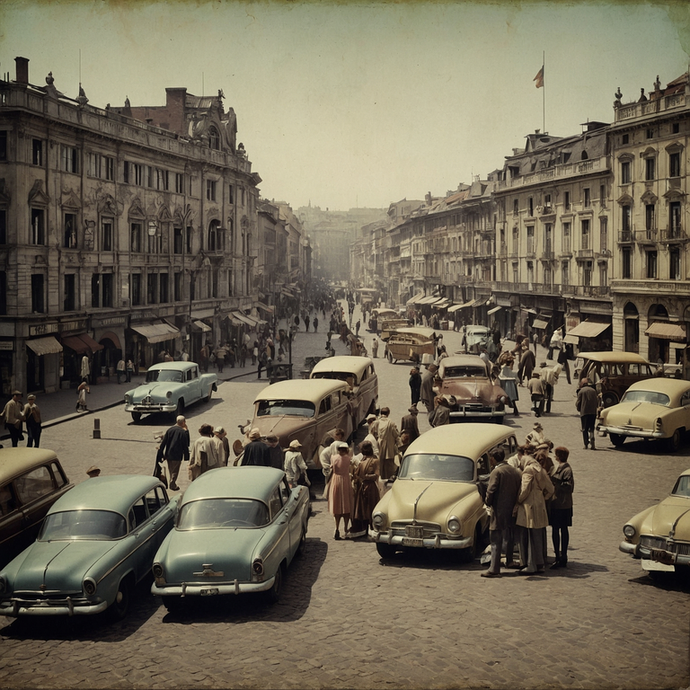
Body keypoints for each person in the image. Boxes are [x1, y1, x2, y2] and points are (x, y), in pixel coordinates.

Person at [482, 448, 522, 577]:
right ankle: (509, 560)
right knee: (509, 537)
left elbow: (491, 490)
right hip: (512, 510)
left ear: (493, 458)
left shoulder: (497, 472)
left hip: (498, 510)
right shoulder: (515, 471)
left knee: (495, 539)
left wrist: (487, 501)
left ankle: (494, 568)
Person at [516, 451, 554, 574]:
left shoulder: (528, 470)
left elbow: (525, 489)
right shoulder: (541, 470)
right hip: (540, 505)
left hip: (529, 506)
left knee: (529, 536)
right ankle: (540, 563)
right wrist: (543, 497)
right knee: (538, 536)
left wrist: (518, 501)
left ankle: (530, 564)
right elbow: (551, 489)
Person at [550, 446, 574, 569]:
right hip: (558, 504)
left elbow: (569, 487)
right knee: (557, 530)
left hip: (562, 504)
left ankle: (562, 556)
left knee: (561, 530)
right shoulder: (560, 468)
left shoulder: (566, 469)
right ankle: (558, 555)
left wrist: (556, 481)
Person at [350, 440, 380, 538]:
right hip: (362, 487)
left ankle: (373, 527)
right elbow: (357, 474)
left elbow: (376, 475)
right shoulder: (362, 461)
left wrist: (366, 477)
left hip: (371, 487)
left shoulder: (375, 461)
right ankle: (363, 529)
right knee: (362, 509)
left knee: (371, 506)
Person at [328, 442, 354, 539]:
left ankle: (336, 528)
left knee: (337, 505)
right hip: (345, 480)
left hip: (336, 480)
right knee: (346, 504)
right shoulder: (348, 459)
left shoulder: (333, 457)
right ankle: (346, 528)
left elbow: (331, 467)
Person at [158, 415, 190, 491]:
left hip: (168, 453)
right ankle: (172, 483)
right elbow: (186, 444)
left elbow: (164, 442)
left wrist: (161, 453)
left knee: (171, 469)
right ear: (184, 422)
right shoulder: (183, 432)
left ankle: (171, 481)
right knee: (175, 470)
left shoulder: (170, 430)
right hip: (177, 454)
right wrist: (186, 456)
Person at [377, 407, 400, 481]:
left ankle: (380, 476)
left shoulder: (377, 422)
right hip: (388, 446)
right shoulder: (391, 423)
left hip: (379, 445)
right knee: (389, 463)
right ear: (388, 413)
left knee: (380, 461)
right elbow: (396, 434)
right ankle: (388, 477)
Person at [576, 378, 599, 450]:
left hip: (584, 412)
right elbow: (597, 401)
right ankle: (593, 443)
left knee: (584, 429)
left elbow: (578, 402)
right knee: (591, 427)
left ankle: (586, 444)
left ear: (582, 384)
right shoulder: (593, 391)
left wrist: (579, 409)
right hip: (593, 412)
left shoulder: (581, 391)